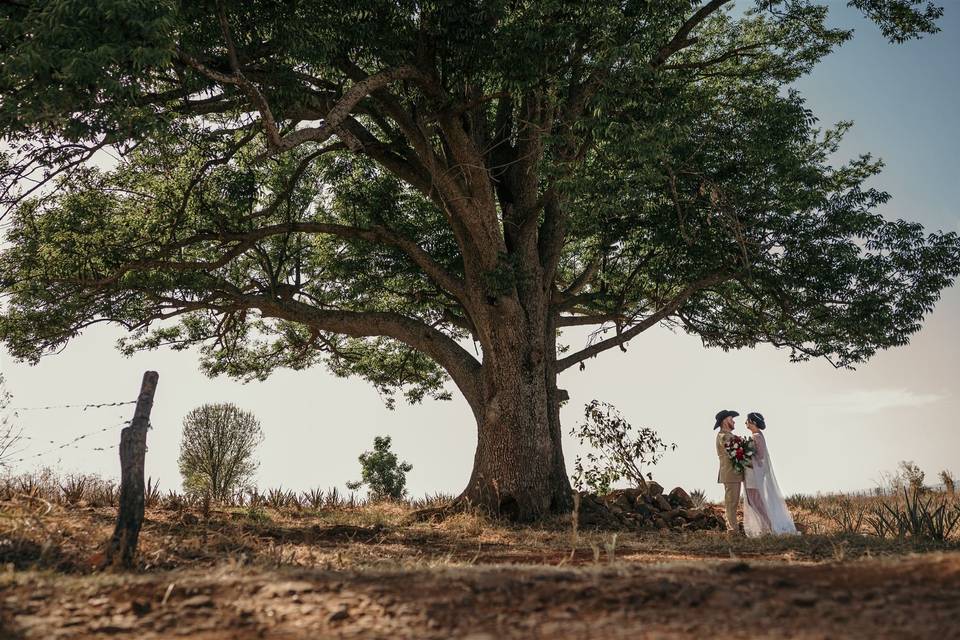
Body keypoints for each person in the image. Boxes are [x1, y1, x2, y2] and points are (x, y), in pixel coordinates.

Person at [742, 412, 798, 537]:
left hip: (753, 474)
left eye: (747, 421)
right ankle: (766, 526)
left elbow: (760, 457)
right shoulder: (757, 435)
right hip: (753, 473)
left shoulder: (757, 437)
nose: (745, 423)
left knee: (755, 501)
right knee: (755, 501)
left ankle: (770, 526)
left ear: (753, 422)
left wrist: (743, 458)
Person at [714, 409, 743, 535]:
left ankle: (733, 529)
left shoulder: (727, 435)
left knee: (733, 502)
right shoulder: (723, 436)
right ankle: (732, 530)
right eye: (732, 419)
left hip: (733, 474)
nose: (734, 421)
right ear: (725, 421)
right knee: (731, 503)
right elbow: (733, 451)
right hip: (730, 474)